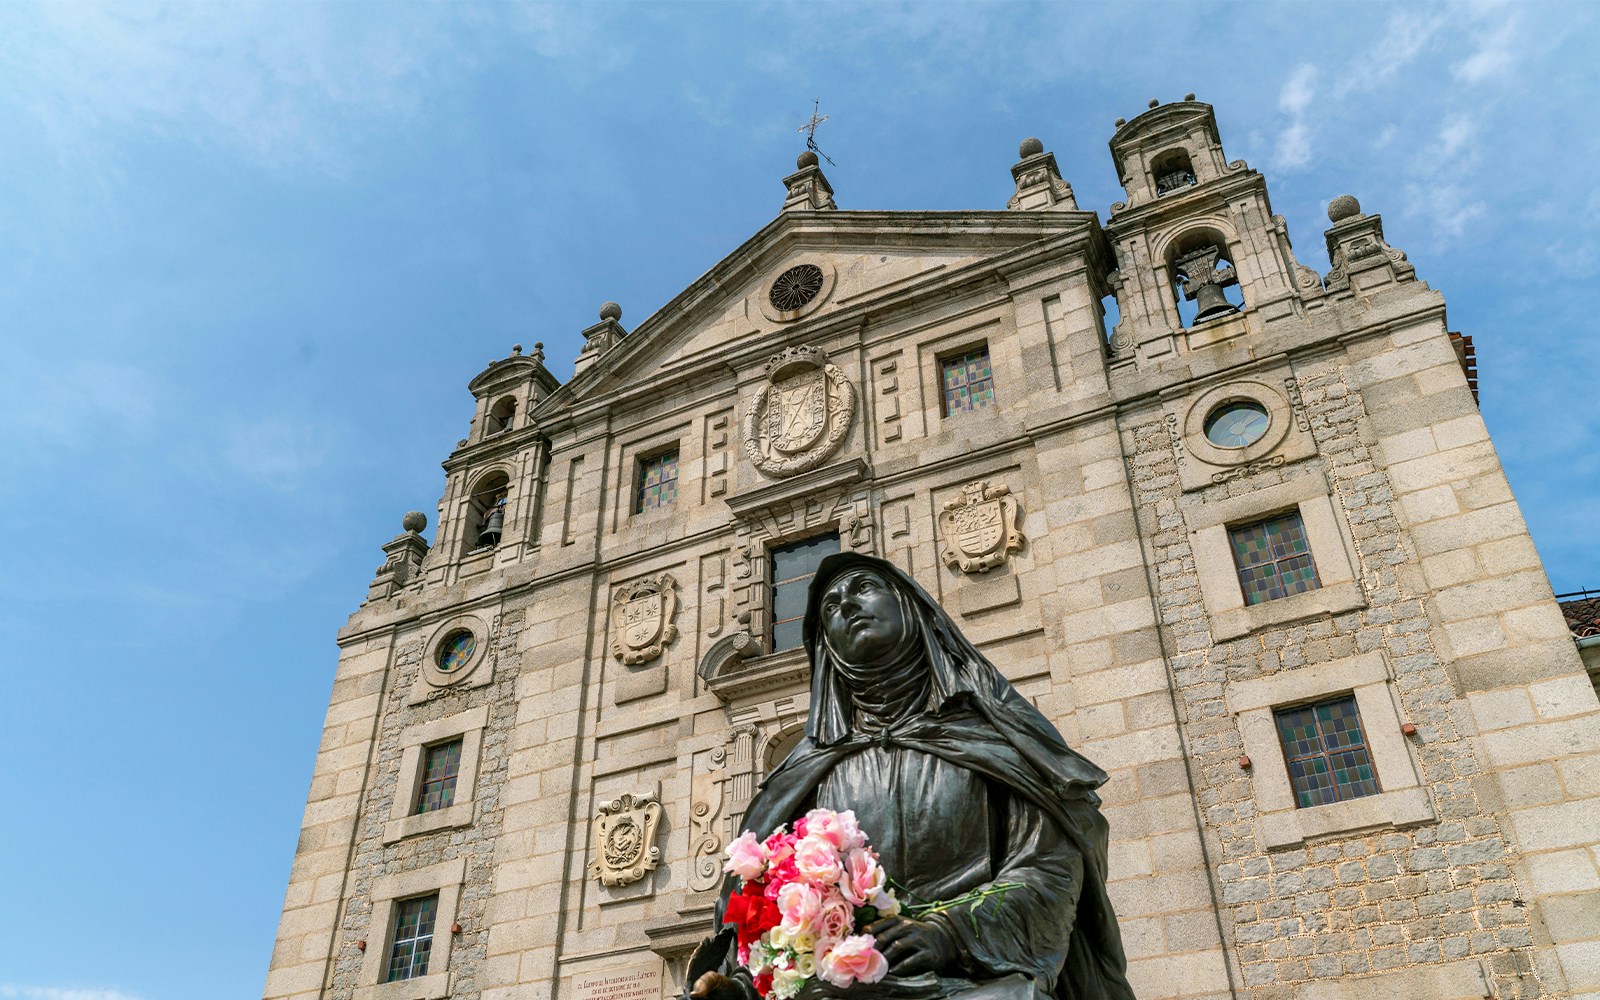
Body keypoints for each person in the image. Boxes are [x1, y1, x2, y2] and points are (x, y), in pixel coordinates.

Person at [688, 554, 1134, 1000]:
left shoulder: (994, 737)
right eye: (830, 607)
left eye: (863, 588)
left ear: (910, 607)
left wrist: (950, 933)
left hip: (971, 974)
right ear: (828, 648)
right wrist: (744, 985)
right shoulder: (806, 771)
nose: (845, 605)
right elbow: (760, 904)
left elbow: (1047, 866)